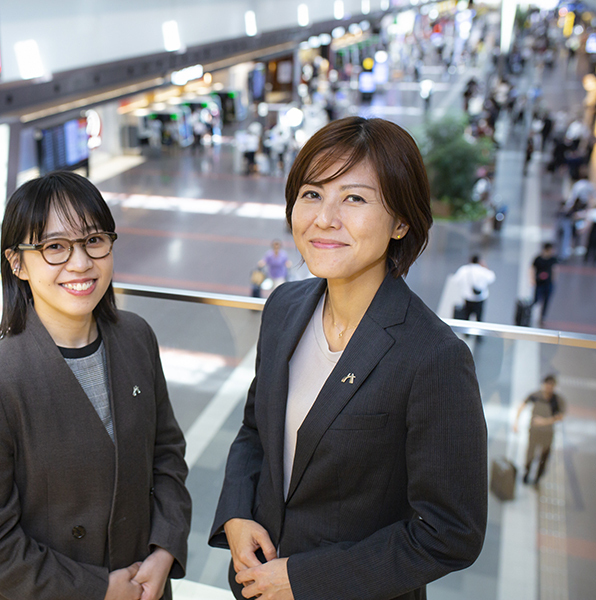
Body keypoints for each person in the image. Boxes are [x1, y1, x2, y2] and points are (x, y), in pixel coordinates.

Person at [209, 117, 488, 600]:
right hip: (258, 585)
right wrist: (236, 513)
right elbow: (256, 428)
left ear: (401, 221)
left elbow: (450, 532)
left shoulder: (434, 357)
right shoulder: (284, 307)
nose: (324, 218)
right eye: (312, 194)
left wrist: (305, 579)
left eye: (354, 198)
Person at [0, 171, 191, 600]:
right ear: (17, 263)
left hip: (144, 586)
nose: (81, 263)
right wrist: (97, 590)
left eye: (94, 240)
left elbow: (167, 455)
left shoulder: (136, 337)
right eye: (55, 247)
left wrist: (164, 550)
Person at [513, 375, 567, 486]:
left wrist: (545, 421)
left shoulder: (557, 400)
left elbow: (560, 416)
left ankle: (537, 478)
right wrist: (516, 422)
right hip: (534, 431)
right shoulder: (536, 395)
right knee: (530, 454)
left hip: (547, 433)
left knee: (544, 457)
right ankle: (526, 474)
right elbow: (522, 405)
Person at [453, 255, 496, 321]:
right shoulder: (483, 270)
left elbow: (456, 280)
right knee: (479, 319)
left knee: (466, 318)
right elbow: (492, 278)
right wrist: (485, 266)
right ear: (479, 261)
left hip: (468, 298)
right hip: (480, 299)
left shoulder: (464, 269)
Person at [531, 242, 559, 325]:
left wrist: (553, 281)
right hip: (539, 283)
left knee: (546, 301)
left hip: (548, 284)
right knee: (536, 299)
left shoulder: (553, 259)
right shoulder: (538, 259)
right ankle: (529, 313)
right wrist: (532, 279)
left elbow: (555, 270)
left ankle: (543, 317)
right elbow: (532, 268)